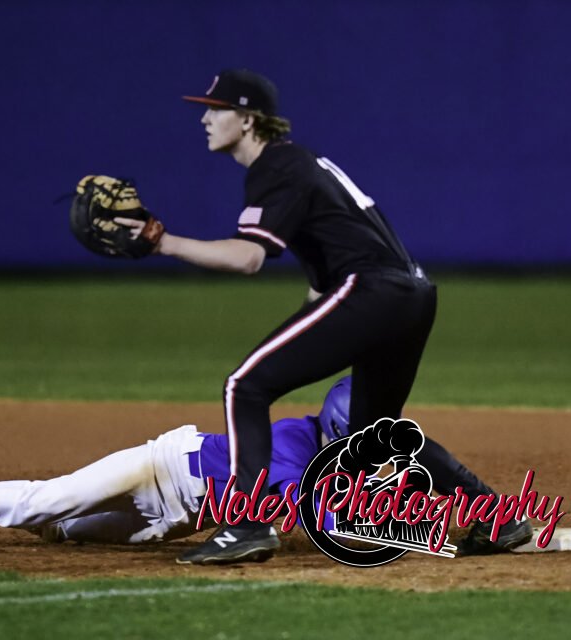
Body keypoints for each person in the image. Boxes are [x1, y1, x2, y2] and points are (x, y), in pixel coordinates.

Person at [118, 68, 443, 564]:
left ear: (247, 119)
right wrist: (295, 342)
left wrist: (164, 243)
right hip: (414, 294)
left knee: (244, 385)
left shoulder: (276, 165)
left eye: (216, 109)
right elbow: (320, 286)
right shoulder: (300, 165)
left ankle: (246, 524)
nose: (205, 119)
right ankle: (497, 516)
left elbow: (249, 258)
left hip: (373, 289)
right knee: (375, 432)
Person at [0, 376, 532, 559]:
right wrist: (433, 538)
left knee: (57, 534)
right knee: (38, 504)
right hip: (161, 468)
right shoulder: (295, 454)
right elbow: (334, 524)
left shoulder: (340, 454)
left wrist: (466, 512)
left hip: (175, 518)